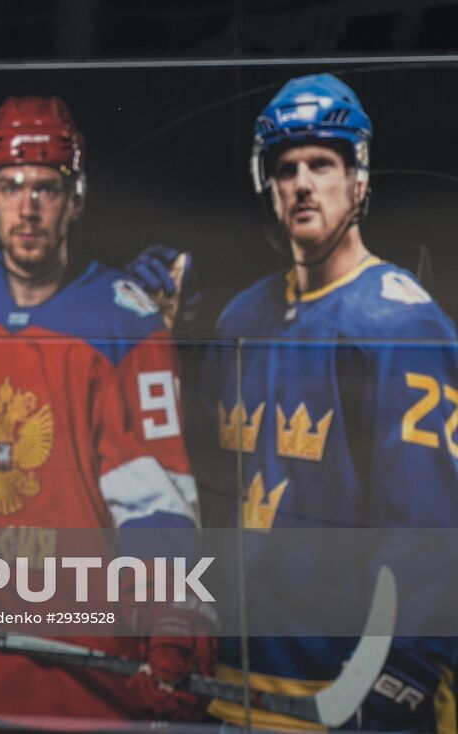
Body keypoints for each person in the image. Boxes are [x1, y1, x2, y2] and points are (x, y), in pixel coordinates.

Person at [0, 96, 211, 729]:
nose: (27, 207)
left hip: (91, 686)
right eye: (10, 186)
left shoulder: (125, 321)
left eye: (46, 188)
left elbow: (157, 498)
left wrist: (172, 621)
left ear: (75, 198)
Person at [186, 73, 458, 731]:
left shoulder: (400, 325)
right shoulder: (239, 319)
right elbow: (210, 494)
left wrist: (407, 672)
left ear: (358, 181)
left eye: (322, 164)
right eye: (286, 168)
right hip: (238, 688)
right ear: (270, 188)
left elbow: (432, 523)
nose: (302, 182)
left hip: (345, 696)